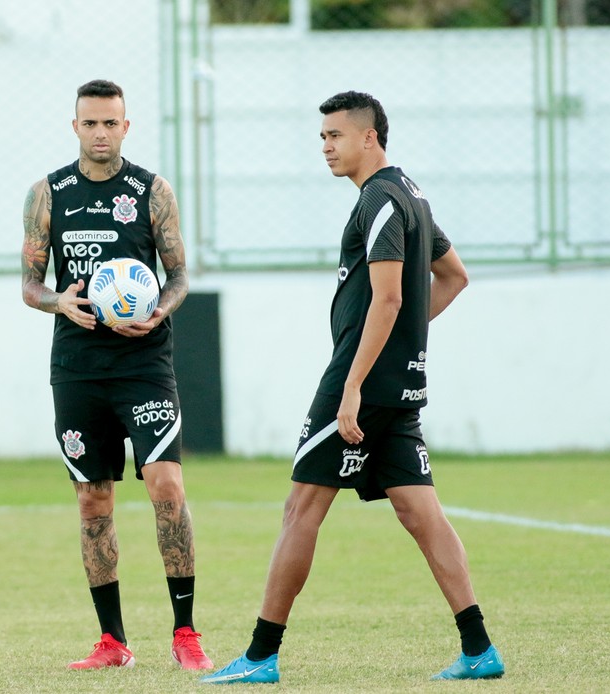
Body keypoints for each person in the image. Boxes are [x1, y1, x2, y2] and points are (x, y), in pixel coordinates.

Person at [201, 91, 504, 684]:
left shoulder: (381, 201)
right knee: (422, 513)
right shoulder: (411, 193)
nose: (326, 147)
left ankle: (261, 657)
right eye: (321, 138)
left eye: (335, 136)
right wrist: (397, 348)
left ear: (370, 137)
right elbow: (454, 277)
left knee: (300, 509)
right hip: (401, 386)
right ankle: (478, 649)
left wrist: (355, 383)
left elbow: (390, 297)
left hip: (360, 386)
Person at [21, 79, 213, 671]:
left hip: (143, 362)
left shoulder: (151, 191)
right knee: (92, 499)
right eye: (90, 123)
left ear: (126, 126)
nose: (101, 133)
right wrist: (60, 303)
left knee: (167, 486)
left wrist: (159, 309)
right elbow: (28, 285)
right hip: (77, 368)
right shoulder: (46, 193)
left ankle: (185, 633)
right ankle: (113, 642)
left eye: (111, 123)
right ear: (74, 125)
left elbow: (179, 274)